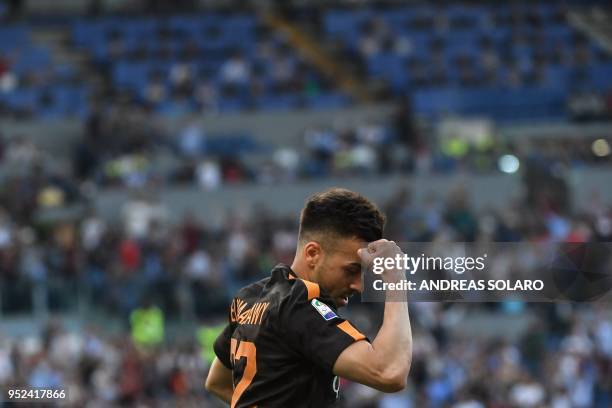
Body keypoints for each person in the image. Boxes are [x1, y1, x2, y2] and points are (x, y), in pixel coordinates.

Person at [205, 188, 412, 407]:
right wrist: (396, 279)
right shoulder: (301, 304)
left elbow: (218, 382)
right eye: (351, 270)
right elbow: (389, 372)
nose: (359, 286)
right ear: (313, 254)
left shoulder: (251, 297)